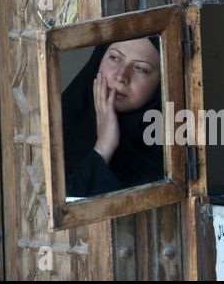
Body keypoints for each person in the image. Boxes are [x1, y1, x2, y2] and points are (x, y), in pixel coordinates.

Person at [61, 37, 164, 198]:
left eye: (140, 69)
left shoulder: (174, 152)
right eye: (115, 58)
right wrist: (103, 147)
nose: (121, 76)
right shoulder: (53, 128)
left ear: (162, 83)